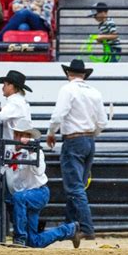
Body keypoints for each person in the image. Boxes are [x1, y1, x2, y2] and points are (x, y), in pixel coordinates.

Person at [46, 59, 108, 241]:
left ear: (68, 74)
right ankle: (70, 227)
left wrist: (51, 132)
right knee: (78, 186)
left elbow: (58, 115)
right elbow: (102, 122)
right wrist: (91, 134)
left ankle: (87, 228)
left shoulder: (67, 90)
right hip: (89, 139)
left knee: (74, 188)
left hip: (73, 140)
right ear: (84, 75)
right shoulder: (95, 92)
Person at [5, 119, 81, 248]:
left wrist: (31, 152)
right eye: (17, 134)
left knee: (18, 198)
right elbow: (3, 168)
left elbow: (38, 171)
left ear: (29, 138)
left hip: (38, 193)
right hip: (24, 197)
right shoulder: (8, 150)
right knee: (34, 242)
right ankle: (69, 230)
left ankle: (19, 238)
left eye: (22, 135)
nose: (18, 138)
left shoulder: (36, 152)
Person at [0, 70, 32, 140]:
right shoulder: (19, 101)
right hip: (19, 144)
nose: (2, 88)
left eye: (5, 85)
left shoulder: (15, 103)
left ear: (11, 86)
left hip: (15, 146)